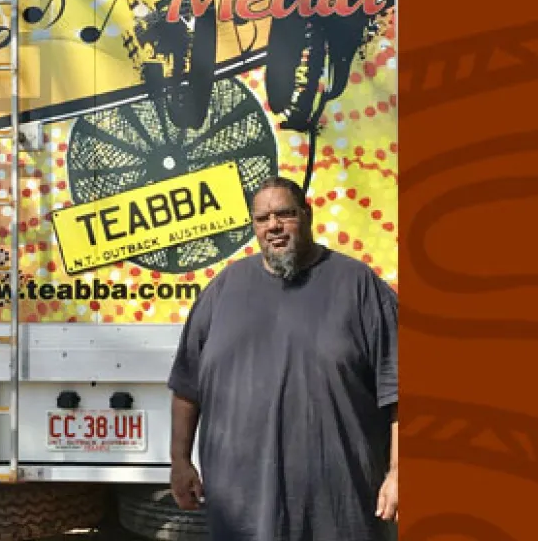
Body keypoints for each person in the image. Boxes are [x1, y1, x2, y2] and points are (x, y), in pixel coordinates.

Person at [167, 175, 398, 540]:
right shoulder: (223, 289)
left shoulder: (358, 285)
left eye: (284, 214)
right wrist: (179, 461)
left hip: (339, 511)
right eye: (262, 219)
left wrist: (399, 472)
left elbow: (399, 390)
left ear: (307, 215)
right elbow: (186, 387)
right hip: (241, 514)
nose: (273, 226)